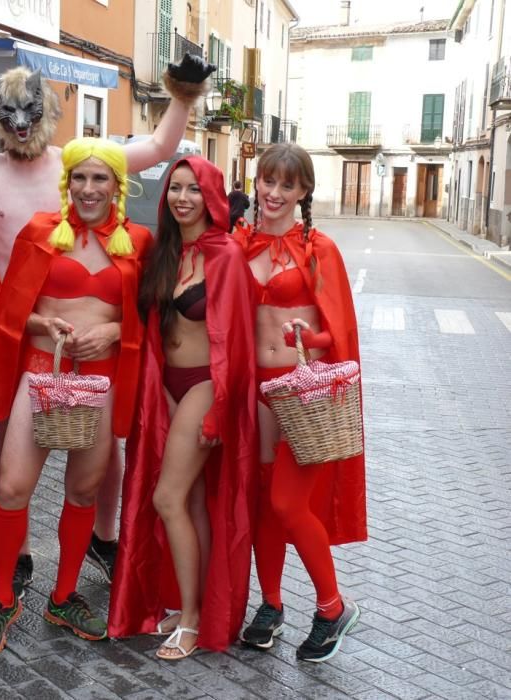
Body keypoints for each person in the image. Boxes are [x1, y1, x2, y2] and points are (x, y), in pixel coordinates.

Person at [0, 53, 216, 592]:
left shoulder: (78, 164)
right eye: (9, 112)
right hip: (18, 327)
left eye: (29, 111)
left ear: (48, 114)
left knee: (102, 447)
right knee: (9, 444)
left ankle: (103, 539)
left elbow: (158, 149)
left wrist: (182, 96)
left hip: (87, 329)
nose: (20, 122)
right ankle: (16, 556)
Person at [0, 138, 152, 660]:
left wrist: (116, 331)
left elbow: (149, 316)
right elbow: (10, 312)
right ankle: (3, 597)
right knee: (11, 485)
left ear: (119, 186)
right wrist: (41, 323)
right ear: (66, 181)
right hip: (40, 372)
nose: (89, 189)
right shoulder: (41, 232)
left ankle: (64, 595)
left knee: (86, 488)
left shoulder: (138, 241)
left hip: (105, 378)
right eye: (80, 177)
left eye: (101, 179)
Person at [108, 156, 257, 659]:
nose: (183, 198)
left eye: (194, 189)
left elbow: (235, 342)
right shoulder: (165, 251)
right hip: (165, 385)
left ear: (211, 196)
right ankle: (196, 607)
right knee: (191, 503)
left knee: (167, 499)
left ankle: (193, 621)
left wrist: (219, 411)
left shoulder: (226, 256)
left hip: (205, 386)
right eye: (175, 188)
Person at [233, 143, 366, 663]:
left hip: (302, 393)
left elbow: (339, 333)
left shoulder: (319, 249)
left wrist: (308, 338)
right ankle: (270, 605)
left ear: (303, 192)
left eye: (287, 185)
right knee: (266, 500)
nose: (274, 193)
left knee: (289, 502)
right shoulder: (238, 243)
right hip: (256, 390)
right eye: (268, 181)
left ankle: (333, 607)